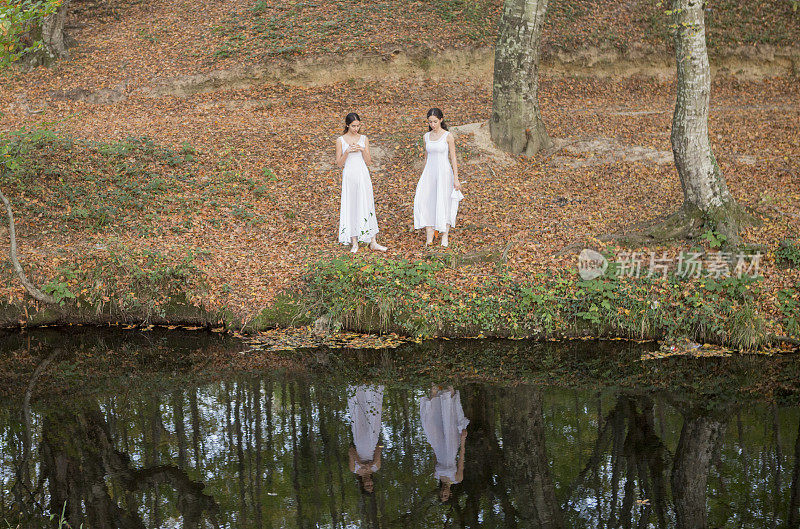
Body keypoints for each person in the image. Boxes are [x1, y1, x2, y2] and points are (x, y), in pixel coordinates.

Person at [335, 113, 388, 253]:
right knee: (352, 204)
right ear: (347, 125)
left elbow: (369, 161)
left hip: (362, 173)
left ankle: (373, 240)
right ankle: (354, 241)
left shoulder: (364, 139)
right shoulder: (340, 140)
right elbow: (339, 163)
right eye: (353, 126)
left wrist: (362, 149)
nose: (356, 129)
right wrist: (347, 152)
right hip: (350, 175)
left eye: (358, 126)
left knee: (367, 202)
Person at [413, 108, 463, 247]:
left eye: (435, 121)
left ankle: (444, 235)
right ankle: (429, 234)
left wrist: (456, 178)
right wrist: (422, 175)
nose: (432, 125)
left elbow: (453, 158)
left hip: (444, 172)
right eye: (430, 122)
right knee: (426, 200)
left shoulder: (448, 136)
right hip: (429, 172)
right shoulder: (426, 136)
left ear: (441, 120)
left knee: (444, 200)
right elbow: (426, 157)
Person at [419, 384, 469, 502]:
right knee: (449, 424)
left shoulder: (436, 475)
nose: (443, 493)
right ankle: (450, 397)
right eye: (445, 496)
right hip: (452, 449)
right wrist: (463, 440)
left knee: (430, 427)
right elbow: (461, 459)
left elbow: (435, 458)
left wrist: (433, 444)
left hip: (438, 448)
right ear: (450, 494)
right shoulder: (457, 478)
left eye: (441, 495)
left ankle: (434, 395)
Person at [347, 384, 385, 494]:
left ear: (362, 485)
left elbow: (350, 450)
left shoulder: (354, 469)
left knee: (358, 414)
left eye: (367, 486)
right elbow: (380, 446)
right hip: (373, 438)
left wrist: (360, 462)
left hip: (358, 439)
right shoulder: (376, 467)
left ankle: (356, 387)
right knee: (373, 415)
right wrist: (372, 462)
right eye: (371, 485)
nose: (369, 484)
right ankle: (373, 387)